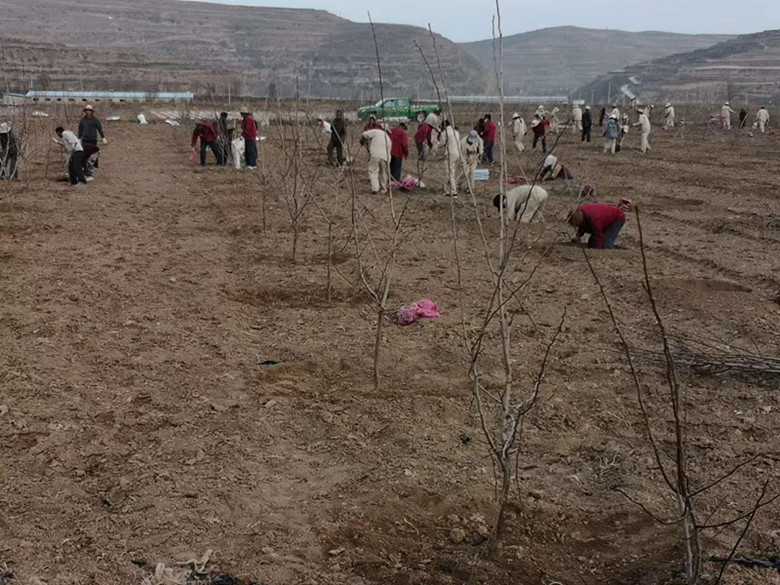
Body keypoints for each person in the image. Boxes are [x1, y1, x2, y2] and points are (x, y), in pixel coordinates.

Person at [361, 125, 391, 194]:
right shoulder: (388, 139)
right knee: (383, 173)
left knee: (373, 171)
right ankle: (384, 189)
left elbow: (364, 134)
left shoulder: (376, 131)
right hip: (385, 156)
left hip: (375, 154)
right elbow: (389, 151)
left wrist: (362, 141)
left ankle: (375, 188)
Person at [78, 105, 106, 171]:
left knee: (93, 153)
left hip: (93, 139)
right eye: (87, 110)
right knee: (84, 154)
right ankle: (84, 166)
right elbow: (80, 129)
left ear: (91, 112)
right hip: (85, 139)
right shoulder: (82, 120)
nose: (88, 112)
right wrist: (79, 138)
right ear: (85, 111)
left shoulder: (95, 120)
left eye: (89, 111)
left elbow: (100, 129)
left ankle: (93, 166)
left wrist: (103, 138)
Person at [437, 120, 461, 196]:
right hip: (457, 153)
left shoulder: (445, 133)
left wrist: (436, 142)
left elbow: (441, 144)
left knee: (449, 173)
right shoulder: (456, 132)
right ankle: (447, 190)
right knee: (452, 172)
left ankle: (453, 191)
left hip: (450, 154)